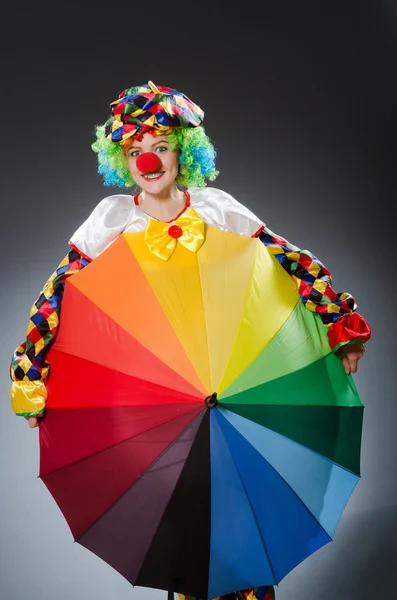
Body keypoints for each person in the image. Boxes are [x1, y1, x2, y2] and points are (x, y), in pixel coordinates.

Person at [10, 80, 371, 600]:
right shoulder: (112, 221)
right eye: (135, 152)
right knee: (181, 517)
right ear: (121, 159)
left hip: (226, 375)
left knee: (237, 509)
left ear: (185, 153)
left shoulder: (217, 208)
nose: (149, 163)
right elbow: (54, 299)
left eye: (161, 148)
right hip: (151, 387)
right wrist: (31, 374)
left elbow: (292, 261)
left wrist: (339, 326)